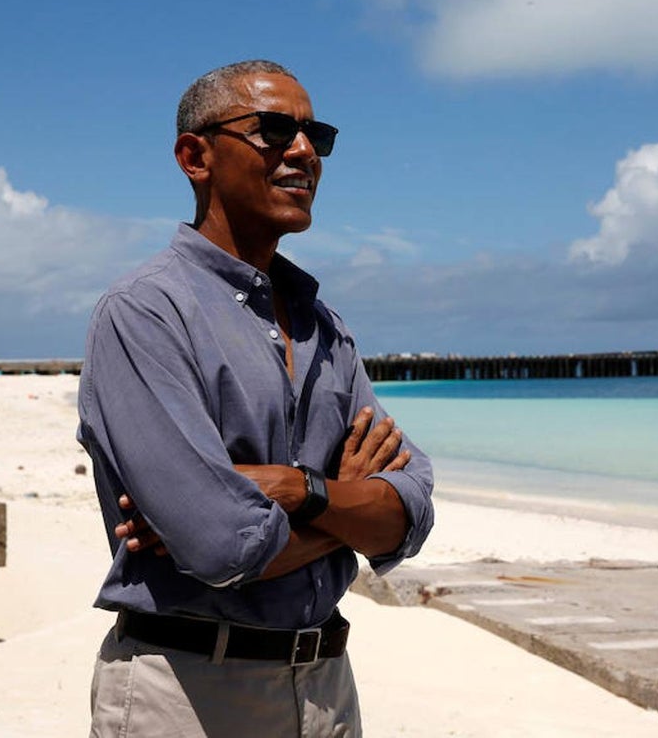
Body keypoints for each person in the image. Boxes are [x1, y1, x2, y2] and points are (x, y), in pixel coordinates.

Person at [77, 59, 435, 737]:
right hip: (189, 690)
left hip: (327, 685)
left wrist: (300, 491)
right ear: (195, 155)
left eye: (314, 134)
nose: (302, 151)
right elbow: (221, 542)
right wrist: (344, 506)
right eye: (273, 130)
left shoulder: (324, 326)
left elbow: (412, 508)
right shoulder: (145, 313)